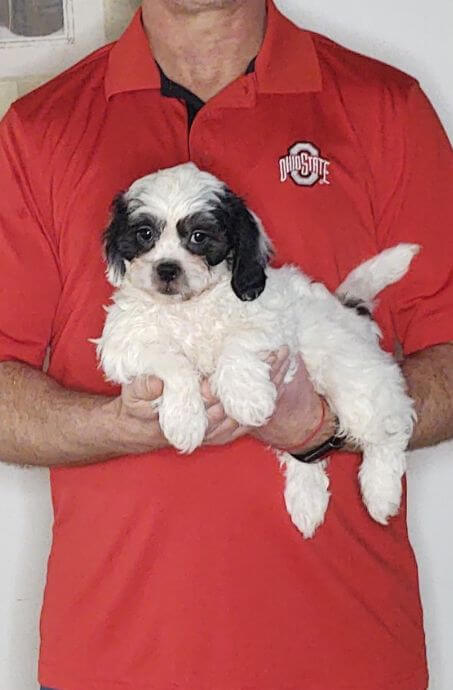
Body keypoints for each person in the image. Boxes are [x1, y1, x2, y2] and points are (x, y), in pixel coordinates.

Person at [0, 1, 452, 688]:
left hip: (345, 649)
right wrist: (112, 426)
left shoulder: (383, 106)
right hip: (117, 654)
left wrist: (324, 427)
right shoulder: (39, 129)